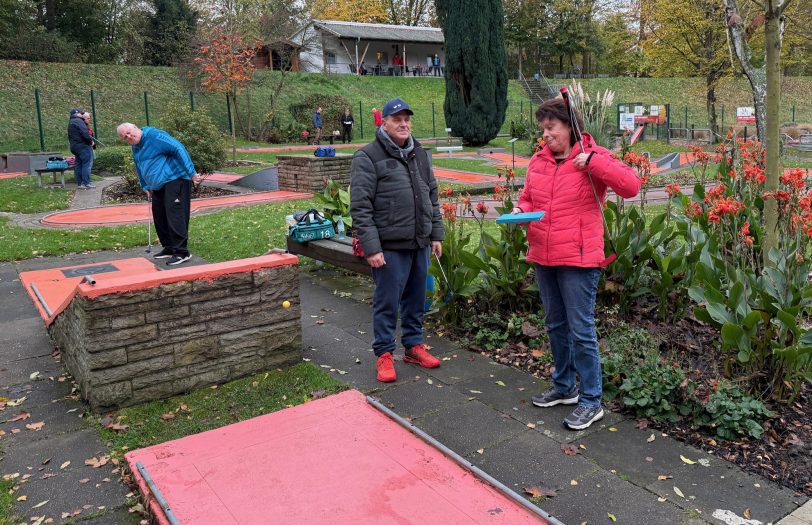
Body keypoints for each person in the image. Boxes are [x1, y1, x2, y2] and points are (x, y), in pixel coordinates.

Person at [513, 98, 640, 430]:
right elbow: (528, 197)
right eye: (542, 129)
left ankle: (591, 400)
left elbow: (631, 186)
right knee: (555, 325)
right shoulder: (538, 161)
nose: (545, 135)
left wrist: (595, 162)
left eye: (551, 128)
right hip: (543, 253)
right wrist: (519, 210)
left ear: (569, 126)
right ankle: (565, 386)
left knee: (581, 330)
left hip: (580, 258)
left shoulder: (592, 157)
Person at [350, 97, 444, 383]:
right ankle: (384, 354)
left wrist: (436, 234)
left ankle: (413, 346)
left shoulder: (420, 154)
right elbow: (361, 206)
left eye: (407, 119)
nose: (403, 124)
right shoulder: (367, 157)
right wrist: (372, 247)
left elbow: (432, 196)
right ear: (385, 123)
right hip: (389, 247)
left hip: (419, 241)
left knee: (416, 298)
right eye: (397, 119)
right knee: (387, 302)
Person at [117, 122, 198, 266]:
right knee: (159, 215)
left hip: (175, 179)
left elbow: (178, 148)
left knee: (175, 215)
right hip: (157, 185)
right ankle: (169, 247)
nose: (129, 136)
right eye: (125, 137)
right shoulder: (135, 147)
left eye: (129, 132)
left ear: (135, 127)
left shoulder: (155, 136)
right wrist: (144, 185)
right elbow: (139, 166)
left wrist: (191, 172)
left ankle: (181, 252)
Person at [67, 108, 95, 189]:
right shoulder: (79, 121)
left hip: (74, 147)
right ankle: (87, 183)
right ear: (77, 114)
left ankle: (80, 184)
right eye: (80, 113)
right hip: (83, 146)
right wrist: (91, 142)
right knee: (86, 164)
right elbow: (85, 133)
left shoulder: (71, 122)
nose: (82, 115)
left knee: (78, 165)